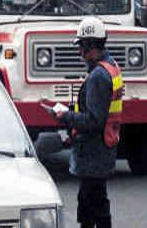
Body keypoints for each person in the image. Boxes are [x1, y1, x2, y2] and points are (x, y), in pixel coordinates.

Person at [49, 17, 123, 228]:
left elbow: (94, 121)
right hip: (101, 148)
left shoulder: (99, 76)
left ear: (91, 45)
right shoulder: (109, 66)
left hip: (94, 151)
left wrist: (66, 116)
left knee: (94, 206)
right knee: (91, 203)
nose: (79, 52)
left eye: (81, 46)